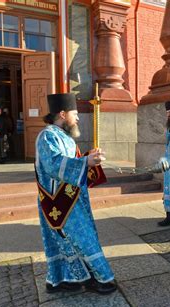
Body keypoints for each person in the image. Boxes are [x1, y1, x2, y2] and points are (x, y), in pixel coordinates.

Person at [35, 93, 116, 294]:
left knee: (72, 240)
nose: (78, 118)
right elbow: (53, 165)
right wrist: (84, 162)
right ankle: (104, 279)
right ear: (62, 114)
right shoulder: (47, 135)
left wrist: (90, 158)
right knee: (80, 238)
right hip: (58, 201)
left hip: (72, 199)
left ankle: (70, 279)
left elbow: (75, 162)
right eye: (75, 113)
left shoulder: (65, 137)